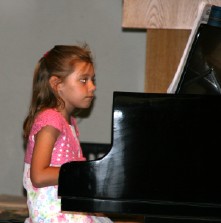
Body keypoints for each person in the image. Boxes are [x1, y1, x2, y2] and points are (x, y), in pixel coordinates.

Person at [23, 44, 113, 223]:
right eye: (84, 80)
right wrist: (82, 172)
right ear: (57, 84)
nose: (92, 87)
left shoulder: (68, 122)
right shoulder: (50, 119)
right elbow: (39, 175)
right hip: (53, 214)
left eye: (93, 80)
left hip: (67, 207)